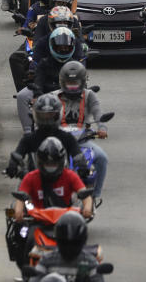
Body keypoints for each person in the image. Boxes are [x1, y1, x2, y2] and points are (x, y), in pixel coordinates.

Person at [55, 62, 108, 205]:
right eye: (69, 83)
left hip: (82, 139)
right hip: (58, 139)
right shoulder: (53, 96)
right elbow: (43, 111)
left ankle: (95, 196)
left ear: (83, 82)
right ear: (62, 82)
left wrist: (102, 128)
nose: (72, 86)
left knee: (102, 157)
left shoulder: (90, 95)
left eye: (75, 83)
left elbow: (98, 113)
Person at [15, 27, 84, 132]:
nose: (63, 49)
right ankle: (28, 130)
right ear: (52, 45)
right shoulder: (44, 62)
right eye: (60, 47)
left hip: (66, 93)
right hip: (44, 91)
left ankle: (78, 127)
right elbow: (39, 79)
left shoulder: (75, 65)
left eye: (66, 47)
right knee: (21, 96)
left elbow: (80, 83)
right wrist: (37, 95)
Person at [6, 94, 90, 180]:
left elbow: (77, 154)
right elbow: (17, 154)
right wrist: (13, 164)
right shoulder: (29, 138)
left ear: (58, 115)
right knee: (21, 189)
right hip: (33, 181)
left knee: (83, 190)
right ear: (36, 115)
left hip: (63, 180)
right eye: (43, 116)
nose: (47, 120)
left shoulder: (67, 137)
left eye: (51, 116)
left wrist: (82, 165)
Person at [13, 137, 93, 221]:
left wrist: (87, 208)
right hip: (37, 221)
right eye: (47, 164)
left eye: (54, 164)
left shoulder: (70, 176)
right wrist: (18, 211)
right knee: (19, 228)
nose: (50, 167)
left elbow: (85, 195)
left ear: (61, 161)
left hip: (65, 221)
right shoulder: (30, 177)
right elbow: (20, 198)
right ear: (40, 162)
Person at [32, 212, 103, 282]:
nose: (69, 248)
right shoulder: (47, 260)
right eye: (65, 243)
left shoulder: (90, 263)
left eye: (74, 243)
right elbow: (35, 279)